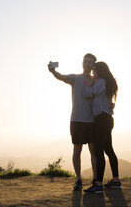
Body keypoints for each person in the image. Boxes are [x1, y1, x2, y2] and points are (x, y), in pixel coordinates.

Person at [48, 53, 97, 191]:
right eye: (85, 61)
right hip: (77, 119)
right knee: (77, 151)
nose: (87, 63)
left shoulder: (96, 80)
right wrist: (53, 71)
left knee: (93, 150)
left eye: (90, 62)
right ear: (82, 63)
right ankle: (78, 179)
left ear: (93, 65)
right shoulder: (75, 78)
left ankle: (95, 179)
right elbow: (61, 77)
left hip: (92, 121)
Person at [82, 61, 120, 193]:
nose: (93, 73)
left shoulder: (100, 82)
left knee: (98, 151)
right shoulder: (108, 82)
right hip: (107, 119)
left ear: (99, 70)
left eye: (94, 70)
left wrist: (90, 83)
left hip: (101, 119)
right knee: (108, 149)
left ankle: (98, 184)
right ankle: (115, 180)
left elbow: (87, 93)